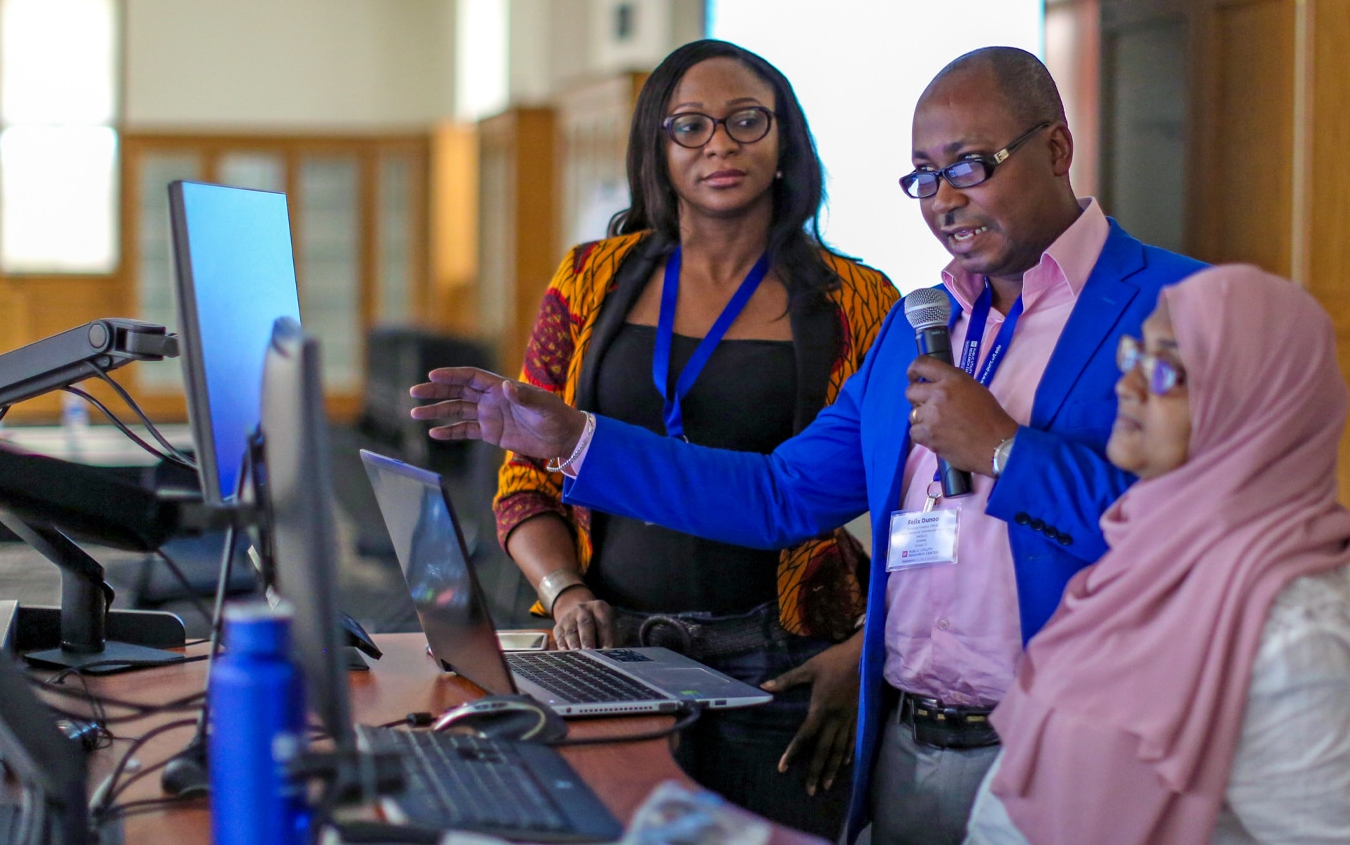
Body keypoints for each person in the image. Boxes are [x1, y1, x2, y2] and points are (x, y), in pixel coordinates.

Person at [412, 46, 1206, 845]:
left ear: (1057, 149)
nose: (944, 202)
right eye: (924, 177)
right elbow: (779, 495)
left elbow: (1203, 538)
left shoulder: (1180, 308)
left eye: (970, 167)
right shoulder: (923, 326)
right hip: (911, 743)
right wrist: (576, 438)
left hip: (1068, 748)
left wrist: (1006, 451)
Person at [494, 39, 900, 839]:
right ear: (657, 147)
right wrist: (563, 592)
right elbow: (524, 477)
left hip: (785, 662)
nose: (720, 143)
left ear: (786, 140)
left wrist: (868, 652)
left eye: (747, 120)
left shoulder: (861, 301)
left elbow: (919, 503)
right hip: (609, 649)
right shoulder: (586, 281)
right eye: (690, 126)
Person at [965, 265, 1350, 844]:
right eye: (1134, 355)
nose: (1129, 385)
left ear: (1251, 407)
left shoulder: (1290, 631)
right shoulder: (1147, 556)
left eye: (1168, 370)